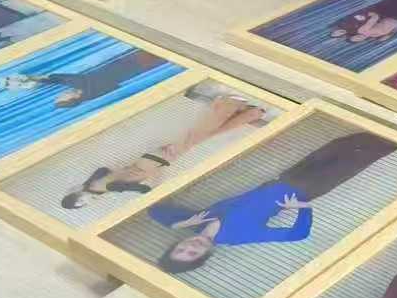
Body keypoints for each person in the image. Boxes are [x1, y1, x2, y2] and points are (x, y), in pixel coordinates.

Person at [151, 130, 396, 273]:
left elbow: (155, 211)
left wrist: (180, 225)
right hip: (305, 190)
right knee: (361, 157)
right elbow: (296, 234)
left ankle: (384, 125)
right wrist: (303, 208)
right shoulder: (237, 237)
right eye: (193, 253)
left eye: (181, 249)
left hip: (284, 177)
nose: (191, 246)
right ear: (204, 255)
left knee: (340, 145)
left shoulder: (193, 223)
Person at [60, 82, 274, 210]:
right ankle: (251, 114)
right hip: (153, 159)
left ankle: (229, 103)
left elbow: (141, 188)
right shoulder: (95, 183)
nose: (85, 203)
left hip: (157, 160)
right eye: (83, 205)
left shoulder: (103, 188)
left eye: (81, 203)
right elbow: (106, 171)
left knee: (198, 133)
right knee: (202, 136)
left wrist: (153, 192)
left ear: (79, 198)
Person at [0, 47, 165, 108]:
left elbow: (63, 80)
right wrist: (36, 80)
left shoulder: (85, 90)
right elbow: (67, 79)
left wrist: (36, 79)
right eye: (62, 97)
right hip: (134, 66)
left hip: (129, 64)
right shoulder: (88, 90)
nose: (61, 94)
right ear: (72, 98)